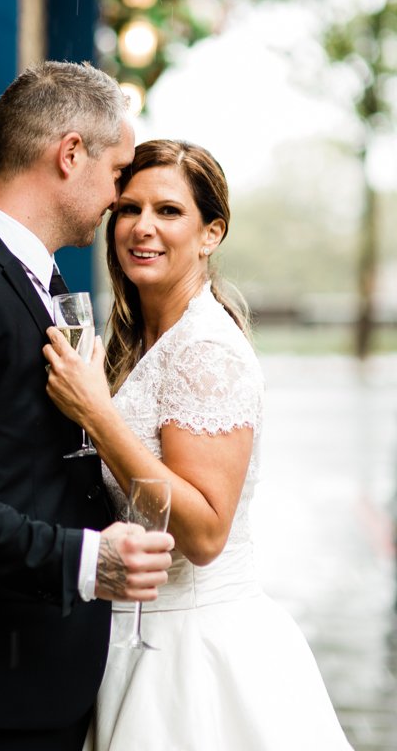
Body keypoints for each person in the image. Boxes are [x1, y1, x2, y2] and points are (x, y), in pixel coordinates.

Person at [0, 62, 174, 751]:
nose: (117, 195)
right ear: (70, 154)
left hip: (39, 681)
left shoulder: (38, 282)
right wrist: (80, 560)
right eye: (116, 172)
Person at [44, 138, 354, 751]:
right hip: (130, 642)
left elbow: (206, 534)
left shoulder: (204, 351)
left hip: (193, 653)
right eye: (128, 209)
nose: (141, 228)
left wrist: (96, 416)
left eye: (168, 211)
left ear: (211, 233)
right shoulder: (138, 341)